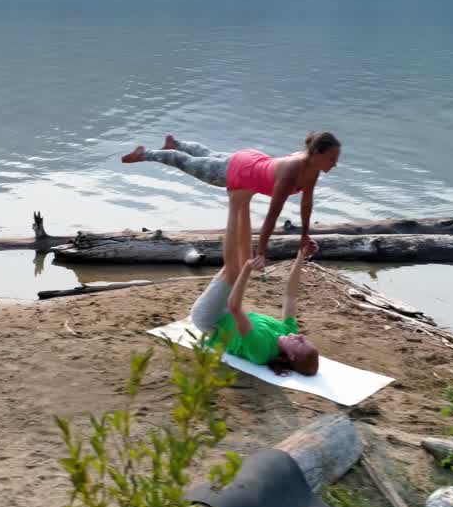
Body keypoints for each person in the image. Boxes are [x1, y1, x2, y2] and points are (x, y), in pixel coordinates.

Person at [121, 131, 341, 261]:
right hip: (239, 173)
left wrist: (304, 236)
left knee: (210, 156)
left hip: (251, 161)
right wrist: (261, 253)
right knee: (188, 163)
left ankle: (176, 143)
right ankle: (145, 154)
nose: (335, 163)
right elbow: (273, 214)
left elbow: (306, 204)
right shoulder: (293, 170)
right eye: (332, 158)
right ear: (317, 154)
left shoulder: (312, 168)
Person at [186, 190, 321, 376]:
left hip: (210, 319)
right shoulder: (288, 330)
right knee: (243, 261)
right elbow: (290, 295)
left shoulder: (262, 350)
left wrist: (247, 270)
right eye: (304, 339)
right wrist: (301, 255)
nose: (300, 336)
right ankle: (245, 199)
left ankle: (235, 203)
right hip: (226, 313)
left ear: (291, 356)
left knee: (233, 269)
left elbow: (235, 307)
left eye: (300, 343)